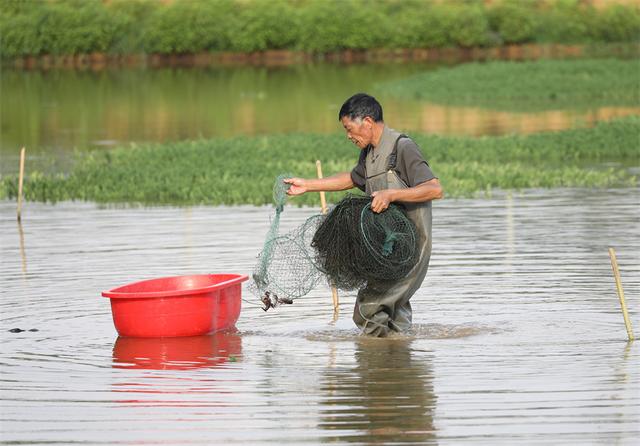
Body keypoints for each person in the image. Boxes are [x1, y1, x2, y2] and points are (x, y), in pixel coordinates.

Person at [285, 93, 443, 337]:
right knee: (393, 311)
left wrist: (391, 195)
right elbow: (351, 178)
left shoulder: (402, 147)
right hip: (386, 250)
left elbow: (435, 189)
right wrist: (308, 184)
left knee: (368, 308)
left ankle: (375, 366)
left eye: (349, 129)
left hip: (410, 248)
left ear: (367, 122)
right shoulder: (369, 153)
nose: (348, 136)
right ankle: (399, 365)